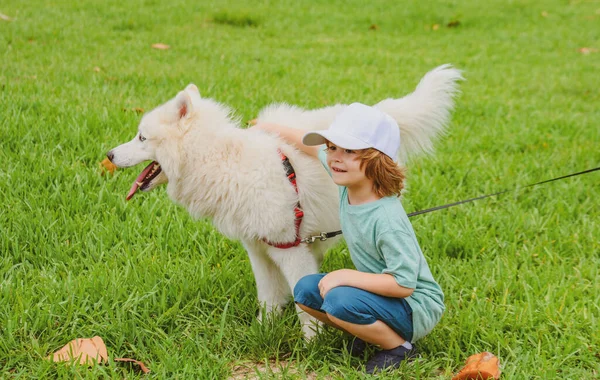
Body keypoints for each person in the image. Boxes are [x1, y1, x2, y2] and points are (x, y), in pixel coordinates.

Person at [252, 103, 445, 374]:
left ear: (378, 159)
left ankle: (399, 347)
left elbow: (404, 284)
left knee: (339, 299)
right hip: (381, 295)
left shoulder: (387, 220)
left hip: (415, 307)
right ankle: (368, 333)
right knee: (306, 290)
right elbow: (309, 145)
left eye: (349, 150)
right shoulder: (349, 180)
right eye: (332, 147)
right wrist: (268, 128)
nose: (334, 158)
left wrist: (346, 276)